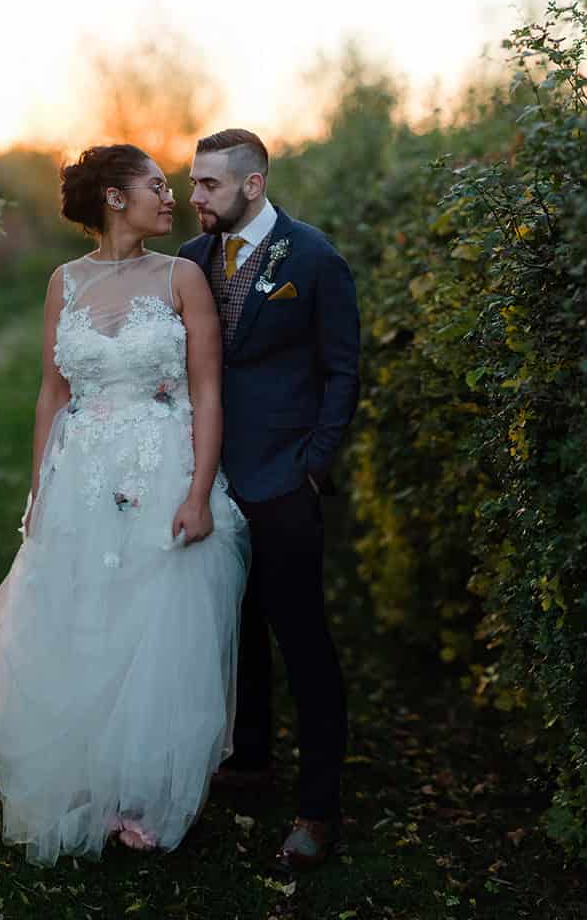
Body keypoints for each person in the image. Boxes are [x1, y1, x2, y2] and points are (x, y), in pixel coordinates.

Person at [0, 144, 250, 865]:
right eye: (156, 186)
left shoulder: (183, 275)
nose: (171, 198)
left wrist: (196, 491)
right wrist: (40, 491)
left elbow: (208, 392)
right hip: (81, 473)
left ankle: (138, 795)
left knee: (153, 628)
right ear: (114, 199)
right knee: (82, 619)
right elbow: (52, 394)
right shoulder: (65, 282)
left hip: (164, 467)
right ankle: (82, 781)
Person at [178, 128, 360, 872]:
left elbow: (342, 369)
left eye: (208, 186)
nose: (194, 197)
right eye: (190, 184)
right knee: (233, 623)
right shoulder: (189, 261)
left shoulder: (311, 257)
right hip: (204, 474)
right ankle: (248, 757)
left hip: (282, 476)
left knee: (302, 639)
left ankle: (317, 809)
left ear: (252, 185)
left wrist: (312, 466)